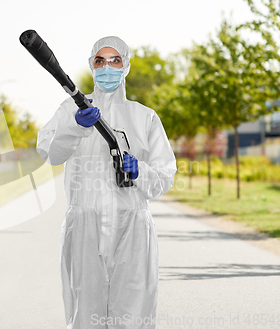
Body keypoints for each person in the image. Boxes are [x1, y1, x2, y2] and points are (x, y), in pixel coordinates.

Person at [36, 36, 177, 329]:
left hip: (133, 228)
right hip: (84, 226)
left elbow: (164, 176)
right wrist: (75, 125)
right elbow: (51, 154)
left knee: (134, 311)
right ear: (92, 66)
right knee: (85, 312)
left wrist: (141, 172)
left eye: (115, 60)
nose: (107, 67)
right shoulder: (70, 109)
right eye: (100, 61)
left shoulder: (144, 117)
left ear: (125, 66)